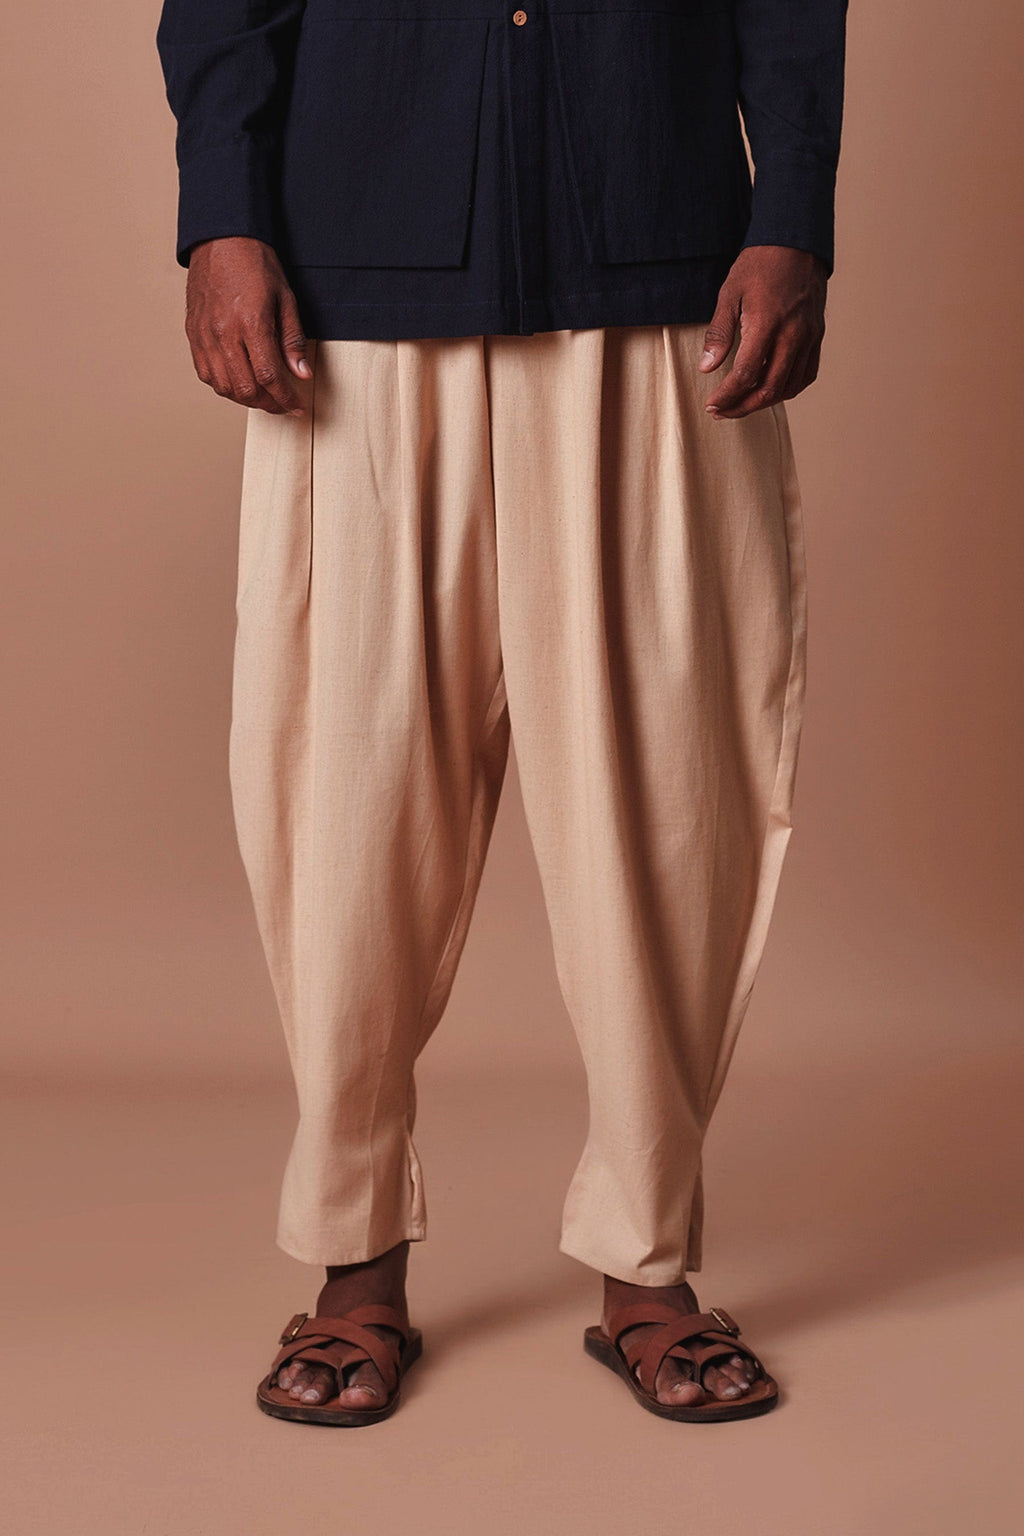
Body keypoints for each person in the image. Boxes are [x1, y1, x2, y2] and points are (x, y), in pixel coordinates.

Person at [156, 0, 847, 1426]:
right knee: (346, 804)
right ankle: (353, 1259)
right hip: (355, 276)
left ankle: (648, 1261)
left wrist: (792, 210)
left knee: (667, 797)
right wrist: (220, 215)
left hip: (654, 255)